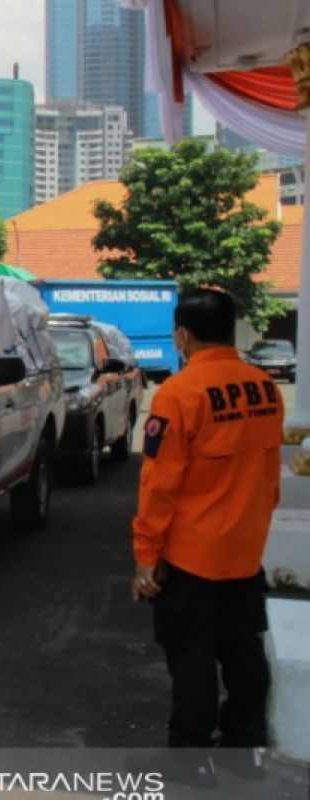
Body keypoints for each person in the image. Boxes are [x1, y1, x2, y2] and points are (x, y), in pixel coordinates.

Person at [131, 288, 284, 784]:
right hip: (245, 551)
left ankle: (190, 761)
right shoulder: (266, 389)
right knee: (243, 652)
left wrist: (146, 556)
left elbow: (159, 484)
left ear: (182, 335)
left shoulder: (179, 394)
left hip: (192, 555)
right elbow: (268, 475)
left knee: (192, 656)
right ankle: (248, 751)